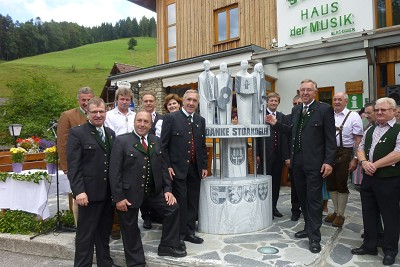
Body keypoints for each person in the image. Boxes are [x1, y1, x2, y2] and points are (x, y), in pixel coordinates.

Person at [267, 79, 336, 253]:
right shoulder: (296, 109)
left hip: (315, 164)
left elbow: (330, 139)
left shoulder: (324, 109)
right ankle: (307, 227)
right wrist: (276, 124)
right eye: (302, 90)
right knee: (303, 198)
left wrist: (328, 161)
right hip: (297, 164)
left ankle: (314, 237)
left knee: (313, 200)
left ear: (315, 92)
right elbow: (291, 131)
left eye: (308, 90)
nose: (305, 93)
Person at [109, 111, 186, 266]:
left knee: (173, 208)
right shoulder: (122, 141)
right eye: (139, 121)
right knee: (130, 228)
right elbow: (114, 171)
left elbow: (164, 168)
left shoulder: (156, 141)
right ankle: (136, 263)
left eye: (145, 121)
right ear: (134, 122)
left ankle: (167, 246)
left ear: (150, 124)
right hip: (129, 193)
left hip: (154, 191)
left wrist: (168, 190)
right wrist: (118, 197)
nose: (142, 124)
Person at [66, 97, 119, 267]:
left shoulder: (110, 134)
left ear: (105, 112)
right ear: (87, 113)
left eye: (101, 111)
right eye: (94, 112)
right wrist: (78, 191)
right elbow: (74, 166)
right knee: (85, 236)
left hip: (107, 194)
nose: (98, 115)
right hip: (87, 194)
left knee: (104, 233)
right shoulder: (77, 133)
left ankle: (105, 262)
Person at [351, 97, 400, 266]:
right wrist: (364, 162)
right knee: (369, 213)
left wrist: (375, 165)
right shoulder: (370, 129)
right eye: (377, 109)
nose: (379, 112)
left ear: (393, 111)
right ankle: (370, 245)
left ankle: (390, 250)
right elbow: (361, 148)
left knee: (390, 215)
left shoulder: (399, 129)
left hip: (389, 179)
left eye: (384, 110)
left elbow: (398, 153)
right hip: (369, 179)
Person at [161, 89, 208, 250]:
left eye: (195, 101)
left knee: (193, 201)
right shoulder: (171, 118)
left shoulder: (200, 120)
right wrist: (167, 165)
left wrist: (204, 166)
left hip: (195, 168)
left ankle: (189, 232)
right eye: (188, 100)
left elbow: (201, 146)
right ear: (183, 100)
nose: (191, 103)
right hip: (177, 169)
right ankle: (179, 235)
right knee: (181, 202)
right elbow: (163, 146)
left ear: (197, 103)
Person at [324, 92, 363, 227]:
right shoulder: (328, 114)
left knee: (341, 183)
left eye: (340, 99)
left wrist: (356, 158)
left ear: (346, 101)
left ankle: (341, 214)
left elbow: (358, 139)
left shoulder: (353, 116)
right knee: (330, 183)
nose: (336, 102)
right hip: (329, 152)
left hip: (345, 153)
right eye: (334, 99)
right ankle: (335, 211)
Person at [57, 86, 94, 226]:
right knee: (78, 196)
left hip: (94, 165)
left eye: (89, 99)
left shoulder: (98, 113)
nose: (86, 102)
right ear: (78, 100)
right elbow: (62, 143)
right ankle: (80, 227)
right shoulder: (67, 115)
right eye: (83, 100)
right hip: (77, 165)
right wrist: (66, 166)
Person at [104, 85, 136, 240]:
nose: (124, 102)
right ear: (116, 100)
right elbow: (110, 136)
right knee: (116, 190)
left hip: (134, 159)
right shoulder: (109, 115)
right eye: (122, 99)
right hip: (117, 156)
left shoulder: (134, 115)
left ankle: (130, 224)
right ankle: (115, 226)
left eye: (127, 99)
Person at [256, 92, 289, 218]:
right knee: (264, 183)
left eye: (276, 101)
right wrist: (257, 154)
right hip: (264, 156)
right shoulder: (260, 116)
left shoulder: (282, 116)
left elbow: (285, 136)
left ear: (278, 102)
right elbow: (257, 136)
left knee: (275, 184)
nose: (273, 103)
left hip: (278, 156)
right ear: (267, 102)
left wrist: (286, 156)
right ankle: (262, 209)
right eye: (271, 100)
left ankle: (273, 208)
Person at [140, 91, 163, 229]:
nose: (148, 103)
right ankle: (146, 217)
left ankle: (157, 214)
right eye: (146, 101)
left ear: (155, 102)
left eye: (151, 101)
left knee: (156, 186)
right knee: (143, 188)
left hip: (157, 156)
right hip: (142, 157)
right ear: (142, 103)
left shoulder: (163, 118)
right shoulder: (138, 118)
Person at [285, 95, 302, 221]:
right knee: (295, 187)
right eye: (295, 103)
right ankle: (295, 210)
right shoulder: (288, 118)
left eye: (299, 103)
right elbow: (285, 139)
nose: (297, 105)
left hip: (307, 158)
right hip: (293, 158)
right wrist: (287, 157)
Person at [198, 60, 216, 124]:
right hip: (203, 97)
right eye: (205, 65)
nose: (206, 66)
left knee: (211, 113)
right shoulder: (200, 76)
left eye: (208, 64)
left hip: (211, 98)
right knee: (204, 113)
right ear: (203, 66)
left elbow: (214, 87)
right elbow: (200, 88)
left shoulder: (213, 76)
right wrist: (203, 98)